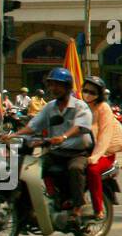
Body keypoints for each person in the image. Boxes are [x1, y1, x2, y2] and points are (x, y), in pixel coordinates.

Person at [5, 68, 93, 217]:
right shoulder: (50, 107)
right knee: (27, 169)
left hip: (77, 153)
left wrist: (64, 136)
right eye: (51, 85)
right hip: (56, 152)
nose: (54, 88)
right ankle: (27, 207)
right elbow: (33, 126)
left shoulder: (80, 106)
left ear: (68, 87)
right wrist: (14, 134)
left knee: (75, 168)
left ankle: (78, 207)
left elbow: (81, 126)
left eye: (58, 85)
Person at [82, 76, 122, 219]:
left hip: (104, 153)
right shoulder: (81, 106)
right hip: (83, 150)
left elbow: (105, 135)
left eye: (92, 92)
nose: (88, 94)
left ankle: (98, 209)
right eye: (86, 90)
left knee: (92, 170)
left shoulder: (103, 108)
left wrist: (96, 156)